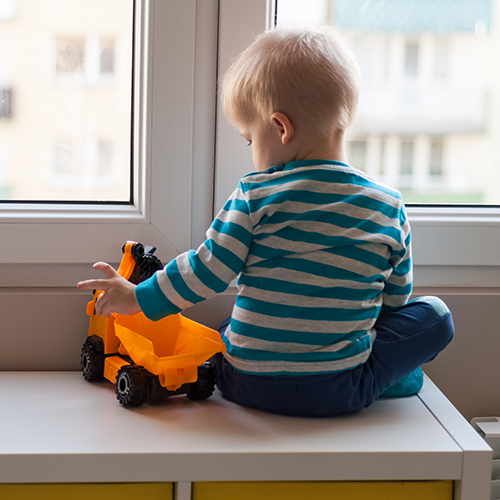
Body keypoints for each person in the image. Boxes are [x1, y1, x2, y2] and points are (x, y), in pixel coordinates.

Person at [78, 26, 454, 417]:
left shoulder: (254, 195)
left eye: (249, 139)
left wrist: (137, 297)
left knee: (232, 325)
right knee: (436, 316)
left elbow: (206, 271)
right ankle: (390, 376)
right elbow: (394, 303)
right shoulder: (388, 205)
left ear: (280, 128)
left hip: (243, 381)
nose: (251, 151)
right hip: (339, 389)